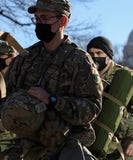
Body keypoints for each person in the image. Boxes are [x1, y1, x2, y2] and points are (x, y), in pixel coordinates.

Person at [1, 0, 103, 159]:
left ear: (63, 21)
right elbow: (5, 97)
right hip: (25, 148)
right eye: (37, 19)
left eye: (45, 18)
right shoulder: (25, 58)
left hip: (62, 148)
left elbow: (91, 108)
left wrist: (53, 100)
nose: (39, 23)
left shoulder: (80, 61)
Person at [86, 36, 133, 160]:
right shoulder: (85, 77)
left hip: (119, 149)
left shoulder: (127, 79)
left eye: (99, 53)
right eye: (91, 53)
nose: (95, 57)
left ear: (109, 55)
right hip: (89, 145)